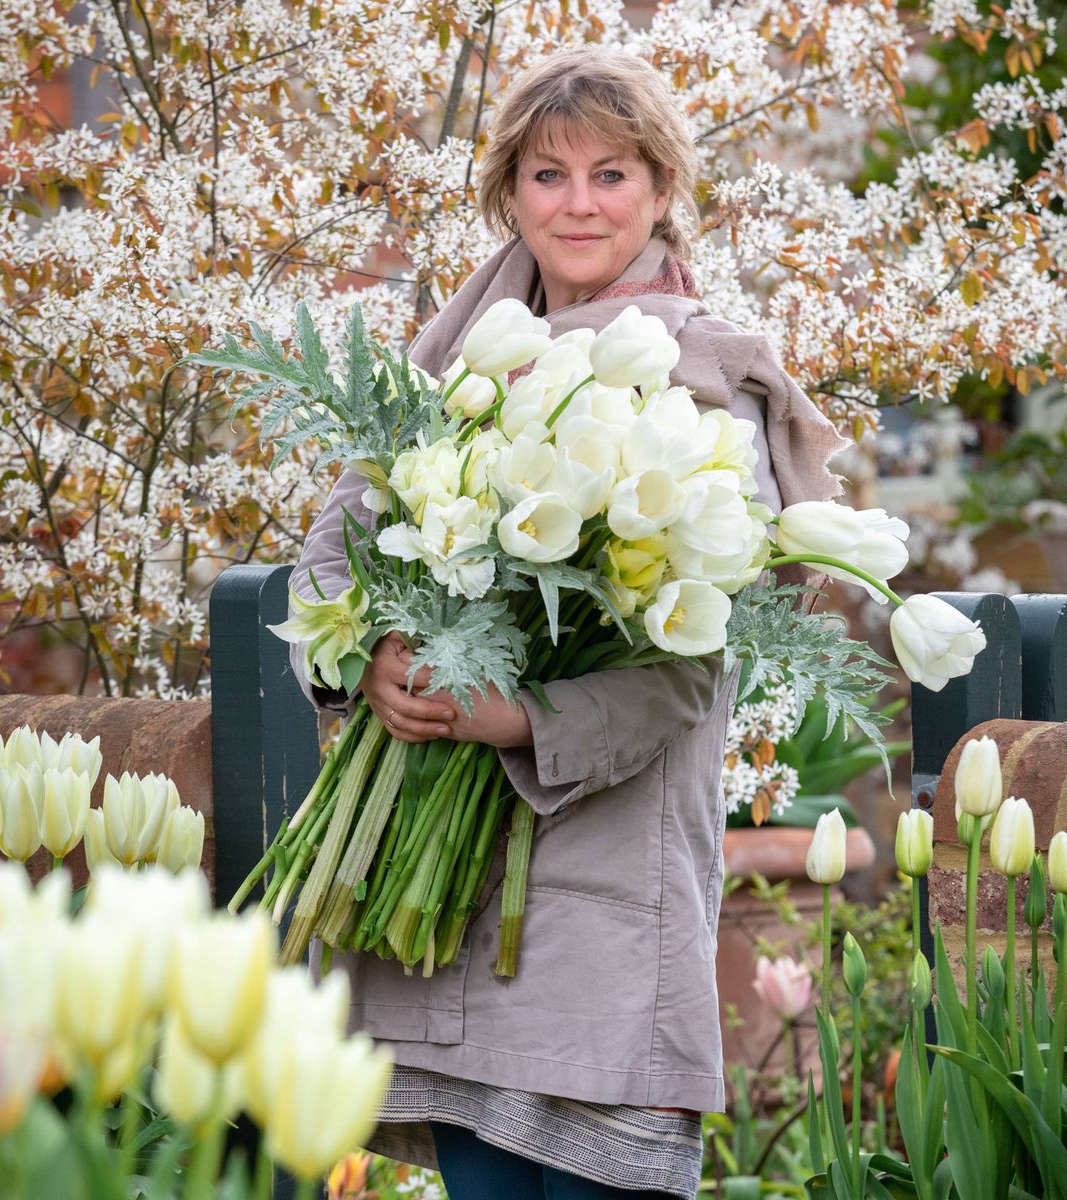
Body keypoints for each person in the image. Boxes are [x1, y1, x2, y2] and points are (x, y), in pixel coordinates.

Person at [288, 47, 846, 1200]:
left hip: (604, 879)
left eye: (611, 173)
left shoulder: (707, 378)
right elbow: (334, 557)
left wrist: (518, 715)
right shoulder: (450, 360)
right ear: (508, 193)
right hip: (432, 899)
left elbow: (693, 669)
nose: (579, 204)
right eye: (548, 175)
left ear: (660, 189)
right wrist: (372, 660)